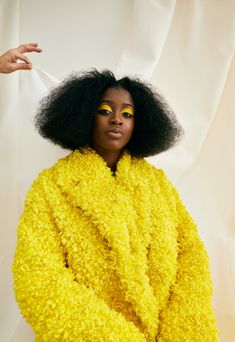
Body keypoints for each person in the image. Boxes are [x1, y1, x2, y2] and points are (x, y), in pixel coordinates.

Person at [13, 70, 218, 341]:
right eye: (104, 110)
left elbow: (191, 259)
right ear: (85, 115)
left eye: (128, 114)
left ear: (139, 124)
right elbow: (37, 277)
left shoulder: (157, 185)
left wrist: (182, 332)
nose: (117, 119)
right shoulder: (51, 187)